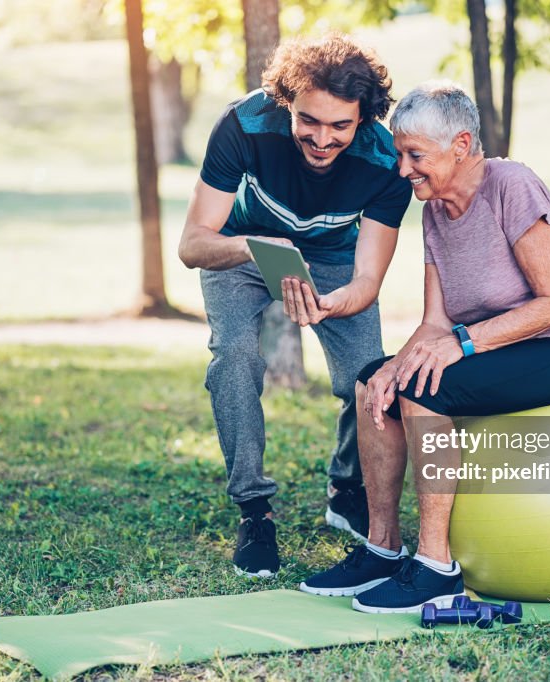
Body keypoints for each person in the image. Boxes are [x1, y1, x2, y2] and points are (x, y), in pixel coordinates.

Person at [296, 81, 550, 612]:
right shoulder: (433, 212)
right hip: (500, 347)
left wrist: (464, 344)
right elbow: (435, 322)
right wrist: (393, 366)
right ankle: (382, 548)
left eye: (414, 155)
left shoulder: (511, 185)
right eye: (400, 154)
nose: (403, 169)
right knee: (373, 380)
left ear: (461, 144)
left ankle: (436, 565)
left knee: (428, 391)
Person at [177, 34, 413, 578]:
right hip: (240, 249)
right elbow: (192, 245)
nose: (322, 139)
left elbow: (369, 278)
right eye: (308, 120)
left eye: (340, 126)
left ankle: (346, 488)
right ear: (286, 102)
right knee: (234, 357)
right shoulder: (243, 125)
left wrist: (335, 303)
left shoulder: (384, 161)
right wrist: (258, 248)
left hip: (334, 262)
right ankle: (254, 512)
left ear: (364, 119)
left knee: (368, 375)